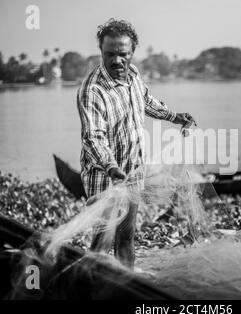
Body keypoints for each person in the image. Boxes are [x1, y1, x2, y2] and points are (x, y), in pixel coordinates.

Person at [76, 18, 195, 269]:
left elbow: (147, 101)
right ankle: (87, 287)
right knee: (101, 241)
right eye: (110, 54)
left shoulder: (133, 75)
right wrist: (111, 168)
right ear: (101, 52)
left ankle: (126, 287)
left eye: (123, 54)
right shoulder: (92, 90)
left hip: (133, 172)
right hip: (105, 177)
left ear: (132, 53)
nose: (117, 60)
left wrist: (175, 117)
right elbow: (93, 137)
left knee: (126, 238)